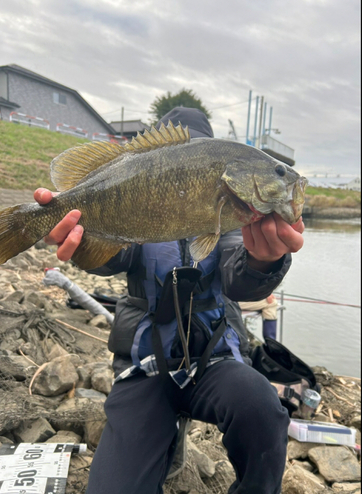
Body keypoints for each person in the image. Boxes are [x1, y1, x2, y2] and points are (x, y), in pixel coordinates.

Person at [34, 106, 305, 494]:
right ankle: (162, 443)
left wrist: (266, 260)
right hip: (146, 364)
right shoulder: (137, 189)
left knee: (262, 407)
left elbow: (239, 277)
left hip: (214, 360)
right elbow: (115, 257)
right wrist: (81, 242)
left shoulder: (235, 217)